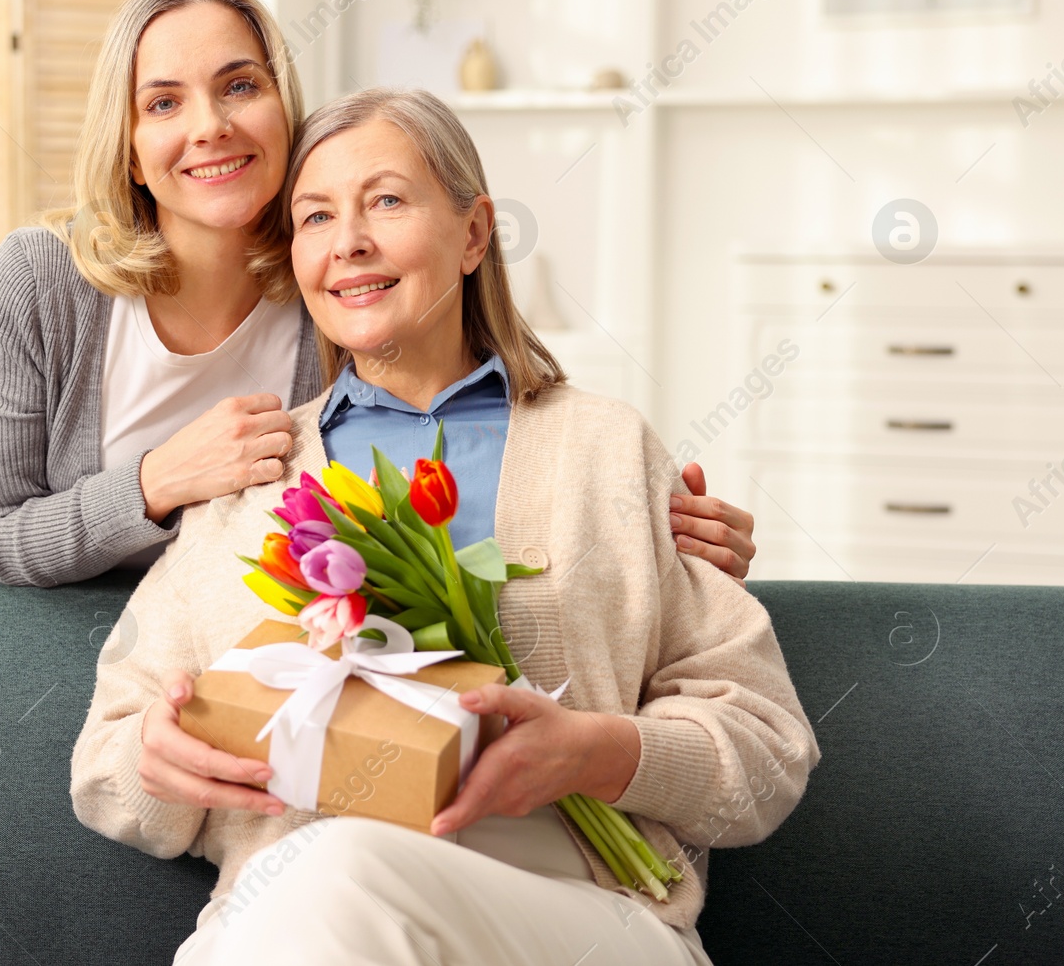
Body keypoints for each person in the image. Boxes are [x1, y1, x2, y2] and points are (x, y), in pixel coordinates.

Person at [71, 88, 821, 965]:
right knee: (310, 888)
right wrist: (160, 765)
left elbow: (767, 751)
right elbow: (107, 761)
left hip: (579, 918)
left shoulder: (604, 448)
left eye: (385, 200)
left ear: (474, 234)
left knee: (335, 872)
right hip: (292, 915)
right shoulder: (249, 479)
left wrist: (596, 753)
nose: (347, 239)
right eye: (315, 216)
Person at [0, 0, 758, 587]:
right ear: (126, 149)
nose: (210, 125)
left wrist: (657, 535)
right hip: (30, 656)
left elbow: (474, 431)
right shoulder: (40, 281)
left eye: (239, 85)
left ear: (282, 107)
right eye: (162, 104)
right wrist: (156, 483)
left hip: (237, 673)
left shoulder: (334, 284)